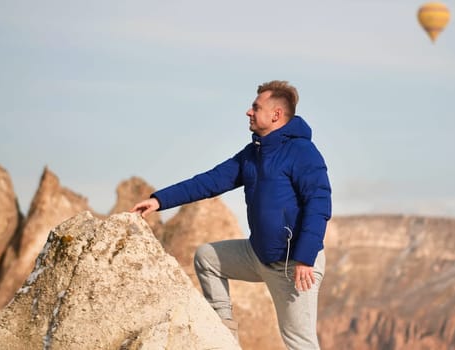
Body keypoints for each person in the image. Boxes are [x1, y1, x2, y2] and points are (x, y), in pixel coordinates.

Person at [131, 80, 331, 349]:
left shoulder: (302, 152)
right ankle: (224, 339)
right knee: (207, 258)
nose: (248, 112)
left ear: (276, 115)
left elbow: (319, 204)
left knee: (299, 343)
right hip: (258, 255)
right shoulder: (253, 154)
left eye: (256, 107)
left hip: (294, 264)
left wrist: (305, 259)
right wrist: (159, 200)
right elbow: (210, 181)